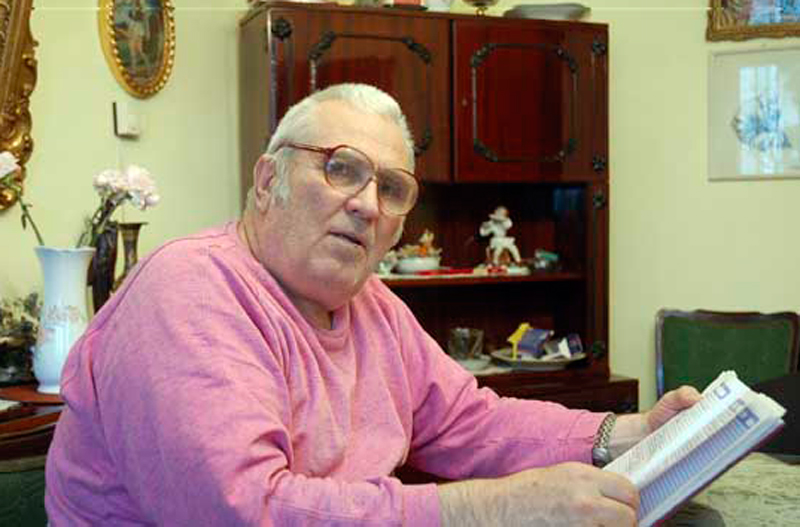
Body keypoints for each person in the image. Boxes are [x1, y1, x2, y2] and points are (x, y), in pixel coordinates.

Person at [45, 83, 700, 526]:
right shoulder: (190, 288)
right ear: (268, 181)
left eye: (391, 188)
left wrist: (625, 433)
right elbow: (246, 510)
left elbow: (469, 422)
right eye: (341, 168)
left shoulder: (372, 305)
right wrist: (491, 508)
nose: (366, 204)